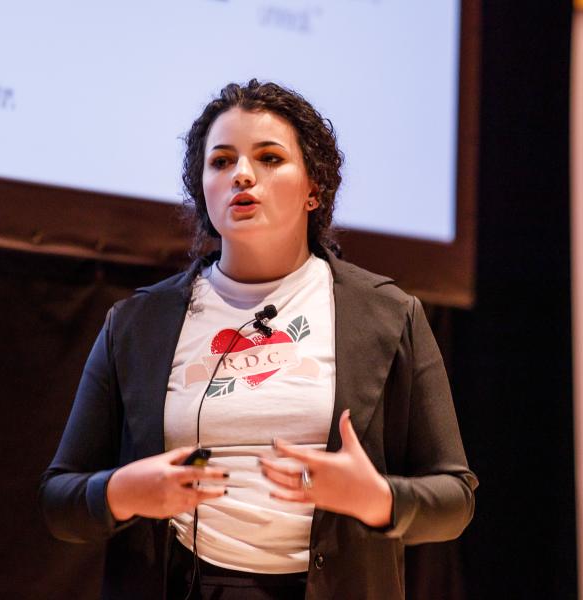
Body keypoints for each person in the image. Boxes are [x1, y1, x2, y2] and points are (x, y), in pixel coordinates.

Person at [40, 79, 478, 600]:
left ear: (314, 189)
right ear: (202, 188)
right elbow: (58, 501)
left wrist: (377, 499)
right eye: (221, 162)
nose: (242, 175)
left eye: (269, 158)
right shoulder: (136, 324)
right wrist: (120, 492)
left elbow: (455, 500)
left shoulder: (388, 315)